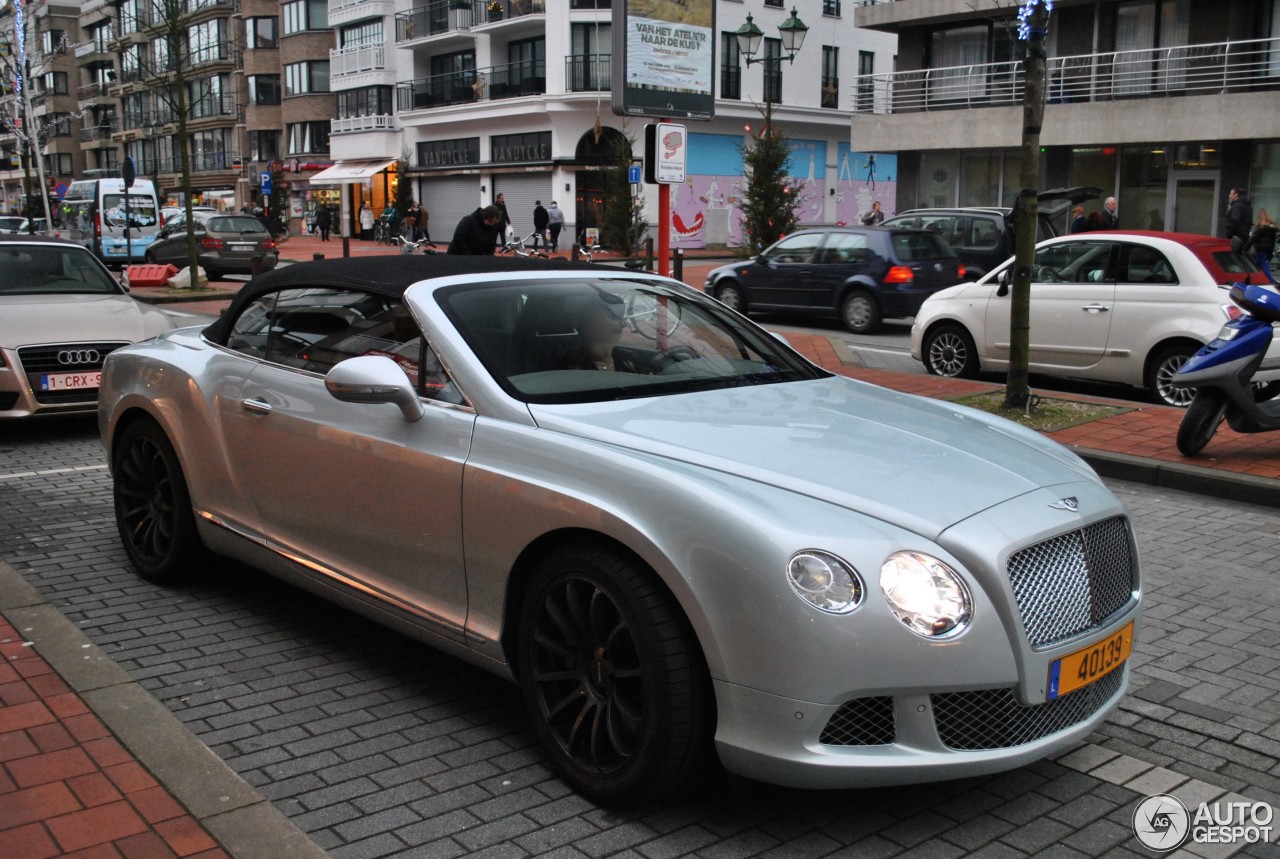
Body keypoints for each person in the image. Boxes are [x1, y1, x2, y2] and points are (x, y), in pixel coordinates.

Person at [561, 301, 640, 373]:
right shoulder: (572, 367)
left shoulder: (628, 358)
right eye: (612, 315)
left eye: (619, 317)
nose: (623, 323)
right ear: (588, 324)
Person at [1243, 209, 1277, 282]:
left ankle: (1271, 282)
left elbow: (1253, 239)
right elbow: (1273, 242)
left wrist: (1245, 248)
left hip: (1260, 249)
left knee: (1263, 267)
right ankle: (1259, 280)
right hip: (1267, 250)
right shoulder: (1272, 228)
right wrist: (1270, 253)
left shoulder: (1260, 228)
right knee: (1259, 266)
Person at [1225, 187, 1253, 252]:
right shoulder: (1248, 206)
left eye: (1231, 194)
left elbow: (1234, 221)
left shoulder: (1237, 206)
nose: (1229, 196)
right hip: (1244, 236)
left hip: (1236, 236)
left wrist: (1228, 233)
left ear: (1236, 195)